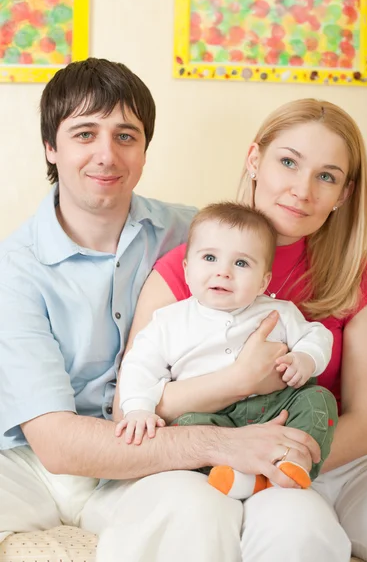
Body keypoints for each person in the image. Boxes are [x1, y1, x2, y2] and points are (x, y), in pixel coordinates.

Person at [0, 58, 322, 562]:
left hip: (151, 457)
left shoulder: (195, 235)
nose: (106, 155)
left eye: (126, 136)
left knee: (202, 512)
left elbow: (280, 266)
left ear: (145, 150)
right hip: (28, 463)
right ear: (50, 146)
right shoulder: (13, 269)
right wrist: (217, 446)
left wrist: (366, 385)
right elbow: (58, 446)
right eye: (84, 133)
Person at [114, 98, 367, 562]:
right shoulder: (188, 268)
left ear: (344, 193)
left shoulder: (360, 276)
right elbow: (129, 407)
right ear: (254, 161)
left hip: (336, 456)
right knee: (291, 528)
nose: (302, 190)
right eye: (288, 162)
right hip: (218, 455)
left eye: (326, 176)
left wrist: (287, 461)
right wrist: (238, 400)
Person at [116, 201, 337, 498]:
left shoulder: (279, 312)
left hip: (276, 406)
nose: (223, 272)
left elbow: (317, 335)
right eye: (209, 257)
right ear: (187, 268)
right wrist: (139, 408)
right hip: (210, 419)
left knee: (319, 400)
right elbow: (139, 366)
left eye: (241, 263)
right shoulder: (168, 322)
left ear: (263, 281)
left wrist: (306, 358)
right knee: (184, 427)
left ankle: (291, 465)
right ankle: (236, 476)